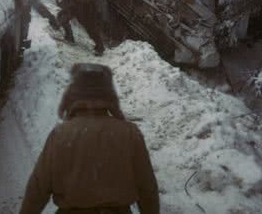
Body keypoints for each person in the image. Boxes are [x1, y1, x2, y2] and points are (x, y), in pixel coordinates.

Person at [20, 63, 160, 214]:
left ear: (72, 95)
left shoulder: (60, 134)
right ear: (109, 96)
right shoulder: (129, 133)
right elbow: (147, 188)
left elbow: (38, 188)